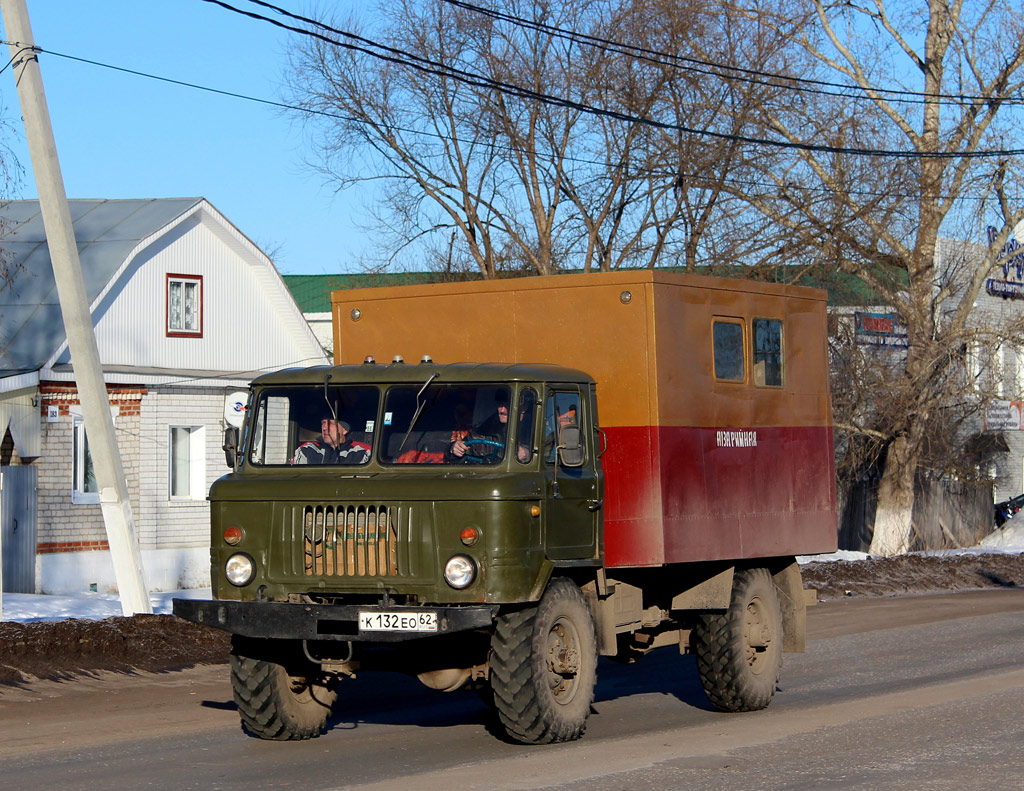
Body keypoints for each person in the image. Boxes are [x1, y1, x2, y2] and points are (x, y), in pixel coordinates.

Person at [447, 391, 509, 462]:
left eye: (508, 405)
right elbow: (458, 458)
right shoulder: (482, 431)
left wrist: (524, 452)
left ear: (524, 407)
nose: (502, 410)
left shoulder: (524, 434)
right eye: (500, 404)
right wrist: (454, 448)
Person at [292, 417, 370, 465]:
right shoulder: (307, 450)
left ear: (345, 430)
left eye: (330, 423)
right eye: (323, 423)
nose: (325, 428)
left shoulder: (361, 453)